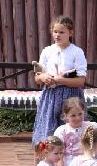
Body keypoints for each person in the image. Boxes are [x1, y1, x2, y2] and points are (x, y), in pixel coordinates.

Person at [31, 15, 88, 147]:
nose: (57, 35)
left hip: (71, 98)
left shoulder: (76, 52)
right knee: (47, 135)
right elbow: (37, 78)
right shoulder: (47, 51)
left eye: (61, 32)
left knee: (71, 136)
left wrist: (60, 80)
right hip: (50, 97)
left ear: (70, 33)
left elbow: (80, 81)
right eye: (55, 31)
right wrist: (43, 77)